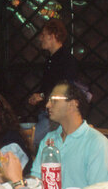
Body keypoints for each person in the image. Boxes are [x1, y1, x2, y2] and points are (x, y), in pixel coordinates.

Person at [29, 81, 108, 189]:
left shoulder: (96, 142)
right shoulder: (49, 139)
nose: (47, 105)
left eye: (54, 100)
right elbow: (36, 179)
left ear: (73, 104)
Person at [27, 19, 78, 149]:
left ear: (53, 36)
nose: (40, 38)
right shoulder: (51, 59)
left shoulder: (66, 60)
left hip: (56, 116)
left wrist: (43, 96)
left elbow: (65, 88)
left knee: (29, 141)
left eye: (43, 35)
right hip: (48, 113)